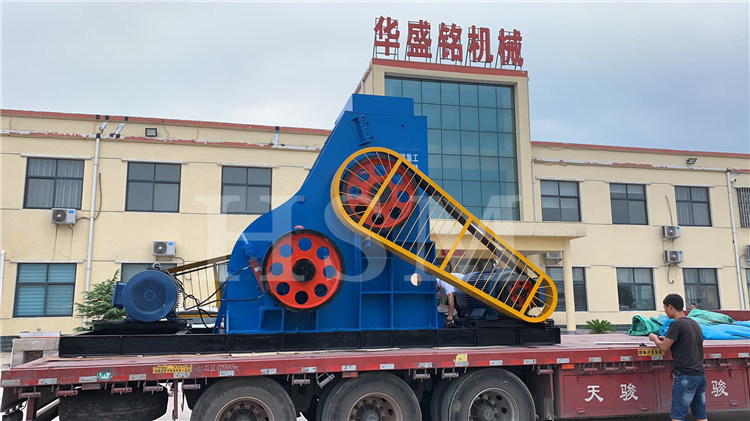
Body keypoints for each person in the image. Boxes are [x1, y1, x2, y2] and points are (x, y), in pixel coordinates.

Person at [648, 294, 707, 421]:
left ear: (670, 307)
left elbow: (664, 347)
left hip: (685, 376)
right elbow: (685, 340)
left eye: (665, 308)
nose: (665, 311)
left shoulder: (676, 325)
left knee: (677, 417)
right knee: (701, 416)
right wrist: (668, 339)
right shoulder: (694, 324)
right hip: (700, 376)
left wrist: (654, 338)